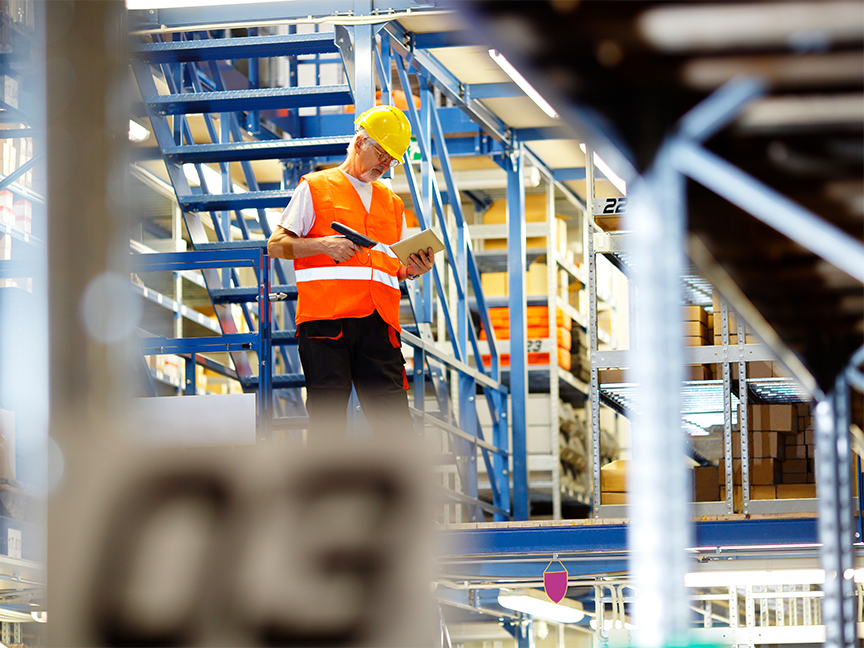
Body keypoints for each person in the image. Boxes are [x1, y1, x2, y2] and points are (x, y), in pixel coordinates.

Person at [268, 105, 435, 436]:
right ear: (359, 142)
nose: (385, 166)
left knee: (396, 425)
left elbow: (395, 265)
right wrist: (323, 245)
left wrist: (415, 269)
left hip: (379, 324)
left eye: (392, 161)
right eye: (382, 155)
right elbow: (276, 245)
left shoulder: (392, 202)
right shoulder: (316, 186)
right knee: (328, 422)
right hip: (326, 320)